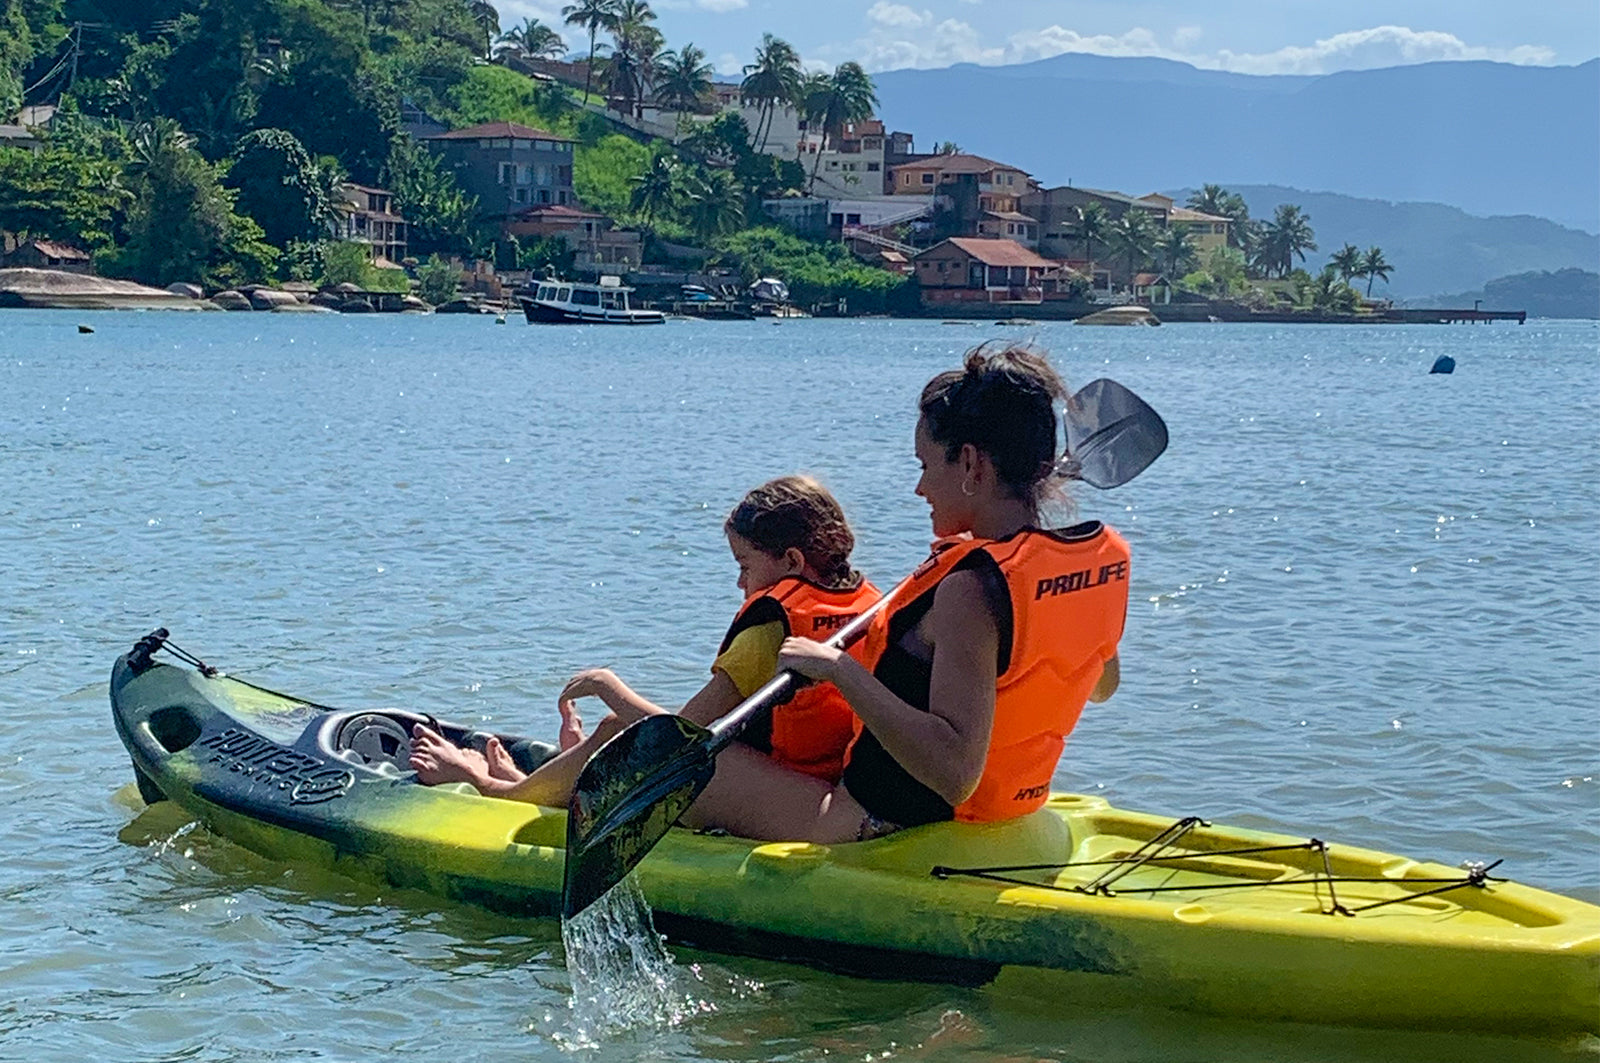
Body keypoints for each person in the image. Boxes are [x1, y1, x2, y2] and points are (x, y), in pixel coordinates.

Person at [673, 345, 1130, 843]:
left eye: (926, 464)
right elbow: (1100, 684)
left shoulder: (968, 591)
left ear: (972, 465)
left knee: (686, 766)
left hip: (873, 825)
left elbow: (955, 776)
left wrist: (836, 670)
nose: (919, 488)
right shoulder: (1069, 565)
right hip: (1011, 817)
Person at [408, 475, 880, 802]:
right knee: (619, 731)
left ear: (792, 561)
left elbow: (682, 736)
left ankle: (497, 790)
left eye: (745, 567)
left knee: (619, 727)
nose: (741, 586)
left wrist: (608, 685)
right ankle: (546, 784)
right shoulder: (864, 605)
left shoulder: (769, 631)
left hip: (776, 788)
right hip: (821, 781)